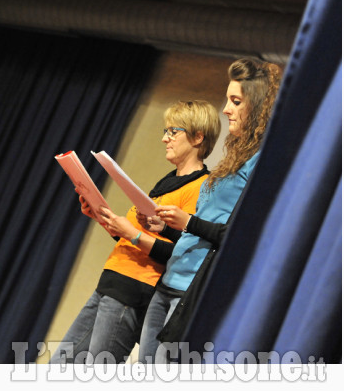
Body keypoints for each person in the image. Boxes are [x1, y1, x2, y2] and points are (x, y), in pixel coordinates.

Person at [49, 100, 221, 364]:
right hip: (112, 281)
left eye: (173, 132)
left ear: (198, 137)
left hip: (134, 290)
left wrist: (133, 234)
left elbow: (180, 252)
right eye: (166, 132)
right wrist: (103, 219)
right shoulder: (167, 181)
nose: (165, 139)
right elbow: (134, 237)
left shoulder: (201, 187)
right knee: (60, 366)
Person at [137, 58, 282, 363]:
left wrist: (188, 222)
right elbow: (203, 224)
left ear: (258, 106)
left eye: (236, 101)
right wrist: (167, 228)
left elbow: (241, 235)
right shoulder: (235, 155)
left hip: (192, 290)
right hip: (169, 279)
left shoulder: (264, 161)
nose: (226, 108)